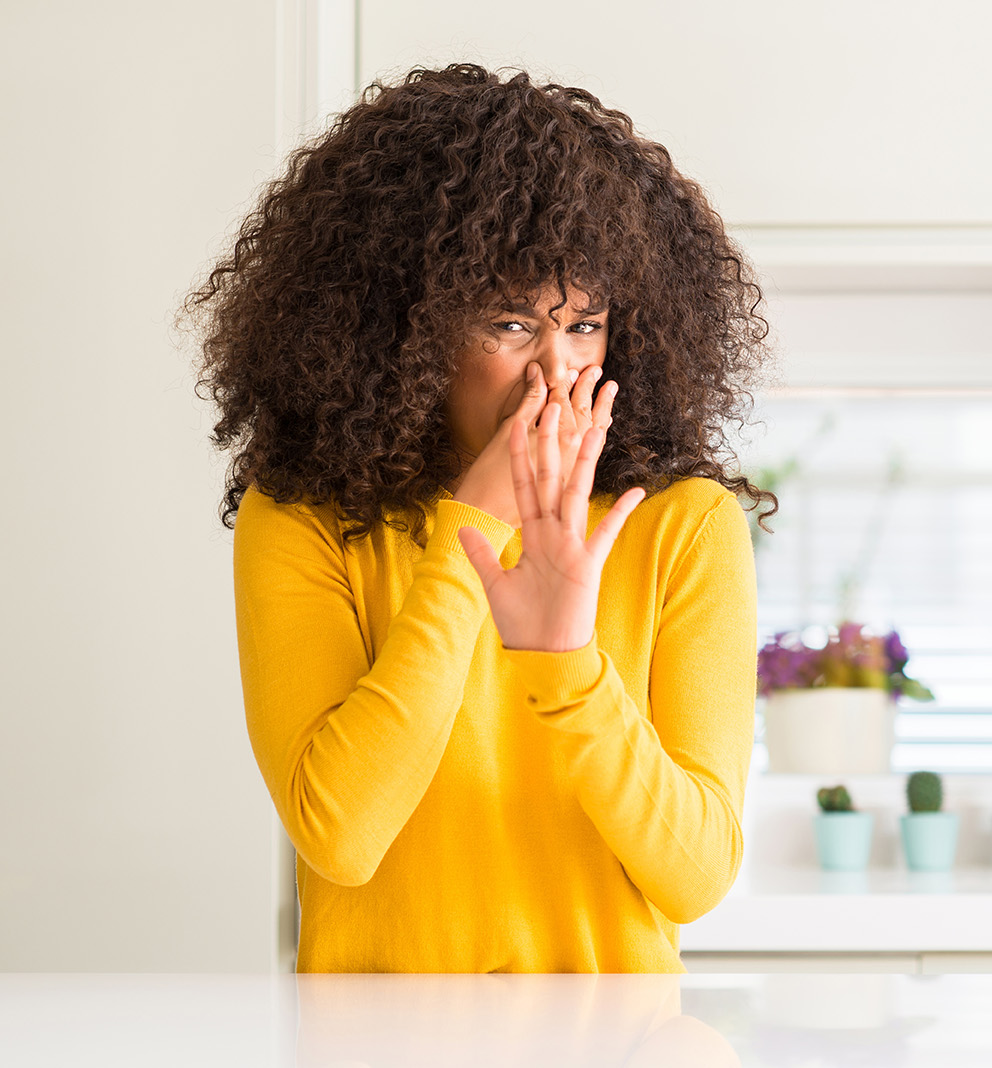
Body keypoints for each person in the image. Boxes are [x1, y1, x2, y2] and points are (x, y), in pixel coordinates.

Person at [186, 63, 773, 973]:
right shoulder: (302, 518)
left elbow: (693, 876)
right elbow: (340, 836)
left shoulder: (681, 526)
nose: (554, 372)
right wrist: (471, 537)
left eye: (584, 326)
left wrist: (567, 662)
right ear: (401, 328)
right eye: (507, 324)